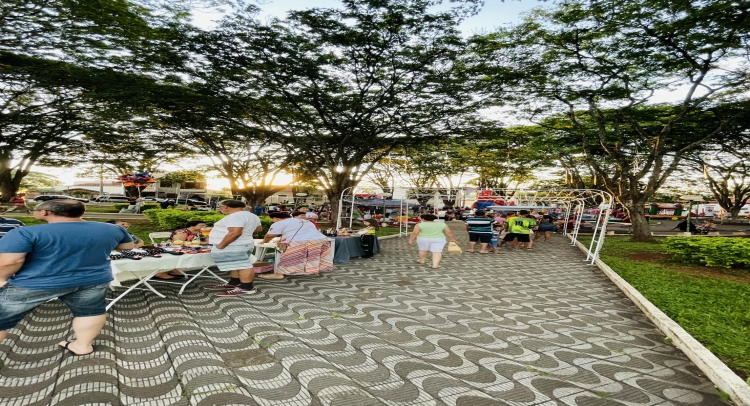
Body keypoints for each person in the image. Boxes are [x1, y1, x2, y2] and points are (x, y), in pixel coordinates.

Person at [0, 199, 134, 355]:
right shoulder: (112, 229)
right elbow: (127, 247)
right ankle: (82, 346)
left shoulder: (26, 233)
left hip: (35, 283)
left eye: (34, 210)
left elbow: (10, 262)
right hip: (93, 280)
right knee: (90, 312)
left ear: (45, 212)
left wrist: (2, 279)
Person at [202, 200, 262, 296]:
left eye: (220, 207)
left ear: (226, 207)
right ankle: (234, 283)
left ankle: (246, 287)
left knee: (243, 266)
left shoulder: (234, 216)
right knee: (237, 264)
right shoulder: (252, 216)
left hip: (234, 245)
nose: (220, 208)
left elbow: (236, 232)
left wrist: (222, 244)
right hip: (245, 243)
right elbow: (258, 229)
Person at [258, 211, 333, 280]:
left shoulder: (279, 223)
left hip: (300, 240)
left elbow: (269, 236)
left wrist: (264, 241)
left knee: (289, 256)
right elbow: (297, 231)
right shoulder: (305, 221)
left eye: (272, 220)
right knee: (312, 255)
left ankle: (279, 274)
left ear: (276, 218)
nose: (272, 221)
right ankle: (311, 270)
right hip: (320, 239)